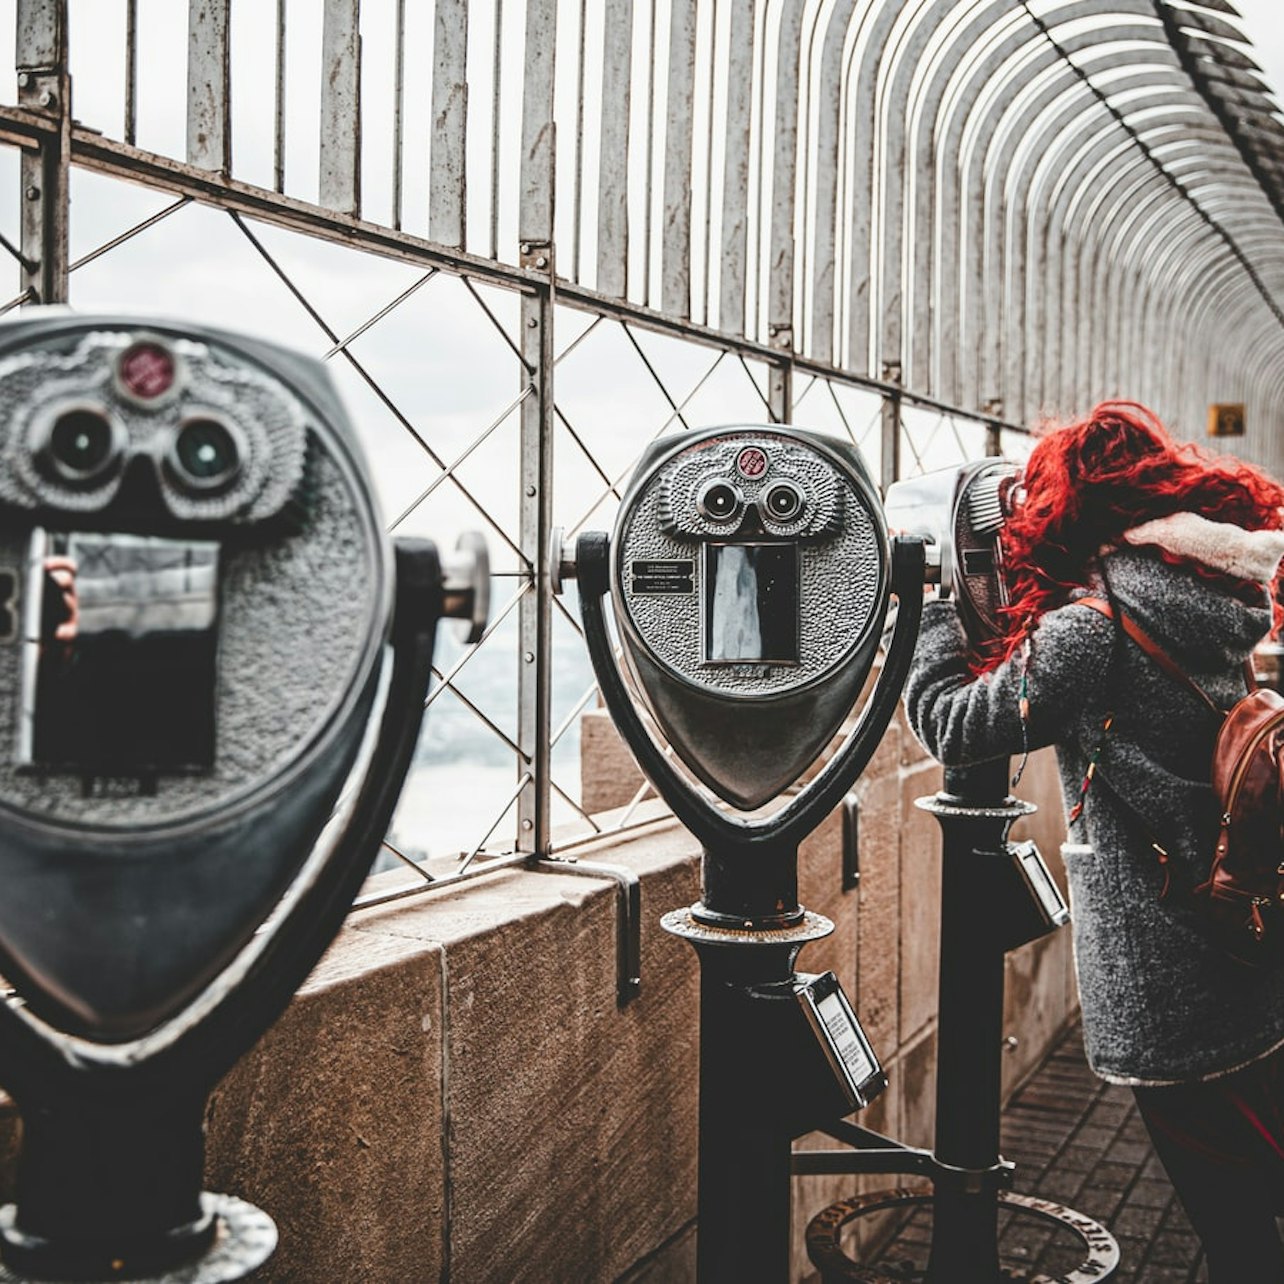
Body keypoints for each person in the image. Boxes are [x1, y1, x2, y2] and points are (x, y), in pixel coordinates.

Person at [902, 401, 1284, 1281]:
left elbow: (959, 725)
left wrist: (929, 607)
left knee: (1231, 1226)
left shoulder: (1091, 628)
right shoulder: (1209, 592)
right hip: (1236, 937)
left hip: (1170, 969)